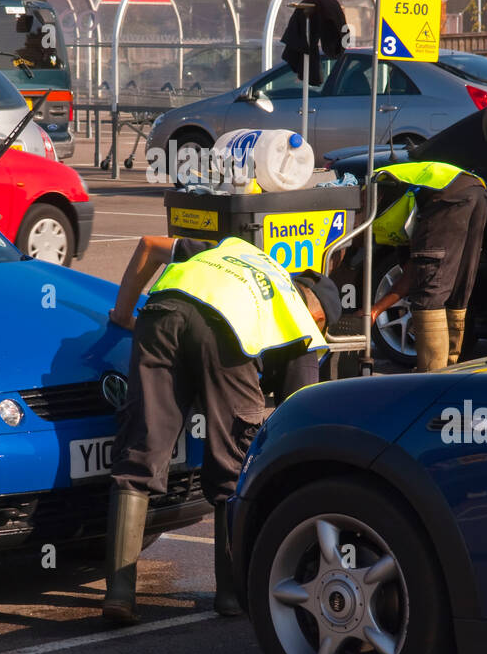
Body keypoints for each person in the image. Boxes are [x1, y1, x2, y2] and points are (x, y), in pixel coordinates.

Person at [104, 234, 341, 625]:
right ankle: (230, 594)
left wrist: (124, 315)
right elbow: (302, 413)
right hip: (227, 339)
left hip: (162, 313)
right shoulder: (300, 323)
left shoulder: (241, 253)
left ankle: (120, 593)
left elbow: (147, 244)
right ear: (319, 316)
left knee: (140, 451)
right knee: (232, 467)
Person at [369, 161, 487, 372]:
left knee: (429, 291)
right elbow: (410, 273)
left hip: (447, 195)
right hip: (477, 190)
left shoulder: (372, 192)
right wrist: (377, 308)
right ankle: (448, 370)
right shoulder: (387, 187)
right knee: (458, 283)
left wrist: (375, 309)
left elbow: (417, 271)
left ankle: (431, 375)